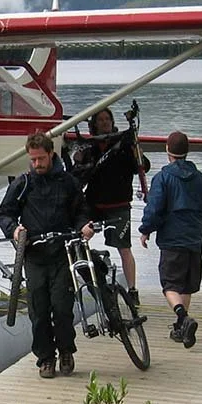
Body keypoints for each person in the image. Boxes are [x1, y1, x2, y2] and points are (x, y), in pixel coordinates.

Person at [0, 133, 93, 379]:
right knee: (38, 311)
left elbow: (82, 210)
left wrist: (84, 226)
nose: (37, 164)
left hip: (63, 253)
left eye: (41, 159)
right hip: (34, 255)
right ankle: (46, 358)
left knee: (62, 307)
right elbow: (5, 214)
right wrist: (14, 229)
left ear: (51, 154)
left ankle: (66, 351)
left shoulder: (68, 182)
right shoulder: (23, 183)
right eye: (33, 159)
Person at [138, 130, 202, 349]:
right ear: (187, 151)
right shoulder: (200, 177)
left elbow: (154, 209)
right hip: (194, 240)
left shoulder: (163, 178)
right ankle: (181, 327)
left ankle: (182, 317)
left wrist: (145, 230)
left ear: (167, 151)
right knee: (186, 285)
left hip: (172, 241)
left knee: (170, 285)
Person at [71, 109, 149, 305]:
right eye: (101, 120)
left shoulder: (123, 144)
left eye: (107, 119)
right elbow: (78, 174)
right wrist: (77, 160)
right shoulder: (90, 147)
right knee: (78, 240)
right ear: (95, 124)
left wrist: (136, 152)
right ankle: (85, 279)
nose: (105, 123)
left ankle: (132, 290)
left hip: (119, 205)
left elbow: (143, 166)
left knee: (124, 248)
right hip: (94, 204)